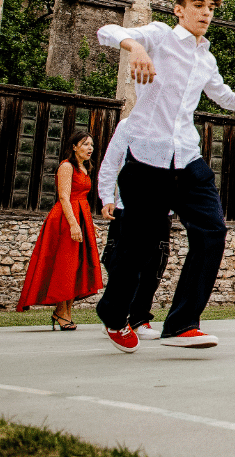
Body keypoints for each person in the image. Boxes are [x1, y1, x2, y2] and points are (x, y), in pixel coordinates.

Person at [94, 0, 235, 353]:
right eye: (199, 5)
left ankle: (182, 324)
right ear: (180, 9)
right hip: (148, 159)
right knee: (138, 248)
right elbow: (107, 31)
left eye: (211, 9)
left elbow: (224, 95)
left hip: (187, 159)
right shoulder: (159, 36)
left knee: (212, 233)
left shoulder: (206, 58)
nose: (206, 13)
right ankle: (113, 312)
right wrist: (135, 46)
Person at [17, 130, 104, 328]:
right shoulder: (66, 166)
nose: (90, 148)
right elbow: (64, 197)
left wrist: (88, 223)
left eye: (91, 144)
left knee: (77, 266)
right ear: (74, 147)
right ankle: (61, 311)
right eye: (85, 144)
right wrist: (73, 224)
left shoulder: (85, 167)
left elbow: (81, 198)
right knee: (65, 265)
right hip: (64, 220)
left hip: (80, 216)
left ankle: (65, 312)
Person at [97, 118, 172, 341]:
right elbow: (111, 162)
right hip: (127, 208)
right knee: (119, 261)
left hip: (161, 210)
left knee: (155, 264)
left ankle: (139, 319)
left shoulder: (177, 127)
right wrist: (106, 197)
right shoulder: (129, 125)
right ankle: (116, 314)